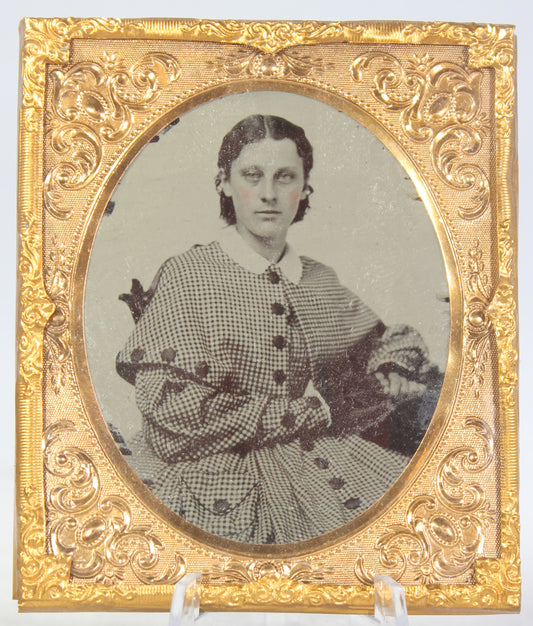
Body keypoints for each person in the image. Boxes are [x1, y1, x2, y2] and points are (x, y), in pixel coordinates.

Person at [116, 114, 434, 544]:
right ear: (224, 183)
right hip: (213, 475)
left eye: (285, 177)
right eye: (252, 175)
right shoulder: (188, 275)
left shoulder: (315, 277)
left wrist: (391, 367)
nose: (269, 194)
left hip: (311, 461)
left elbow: (378, 342)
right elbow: (174, 421)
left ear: (304, 189)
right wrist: (315, 412)